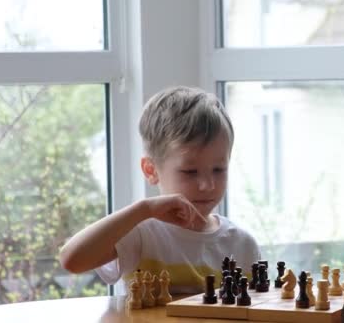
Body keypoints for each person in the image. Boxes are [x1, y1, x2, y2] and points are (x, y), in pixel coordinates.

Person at [59, 86, 260, 294]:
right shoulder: (141, 234)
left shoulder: (242, 245)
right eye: (190, 172)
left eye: (219, 169)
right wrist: (143, 209)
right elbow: (71, 260)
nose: (207, 185)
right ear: (151, 170)